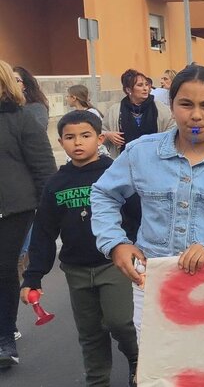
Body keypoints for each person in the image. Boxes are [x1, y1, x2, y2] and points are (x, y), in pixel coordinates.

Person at [91, 65, 204, 337]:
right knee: (160, 369)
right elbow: (104, 193)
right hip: (152, 283)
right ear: (172, 106)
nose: (196, 115)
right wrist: (115, 243)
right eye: (186, 104)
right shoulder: (141, 153)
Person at [20, 110, 139, 385]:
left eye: (85, 135)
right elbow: (43, 233)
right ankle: (97, 380)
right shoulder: (55, 184)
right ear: (60, 142)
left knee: (120, 321)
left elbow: (137, 215)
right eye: (69, 137)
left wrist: (138, 248)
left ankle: (137, 358)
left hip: (115, 265)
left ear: (99, 138)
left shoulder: (116, 173)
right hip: (76, 270)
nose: (78, 142)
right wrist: (33, 276)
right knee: (90, 331)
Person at [0, 60, 57, 369]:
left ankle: (4, 339)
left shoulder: (21, 120)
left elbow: (44, 170)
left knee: (2, 271)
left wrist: (50, 214)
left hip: (13, 209)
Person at [103, 69, 174, 158]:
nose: (146, 88)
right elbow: (99, 134)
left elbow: (173, 129)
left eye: (146, 84)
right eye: (140, 85)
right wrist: (108, 135)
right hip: (125, 161)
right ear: (128, 89)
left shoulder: (161, 108)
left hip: (155, 159)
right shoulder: (115, 111)